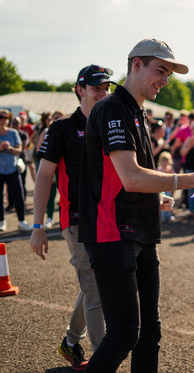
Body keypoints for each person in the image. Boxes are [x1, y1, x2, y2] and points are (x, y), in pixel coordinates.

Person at [78, 38, 194, 373]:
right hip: (112, 231)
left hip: (140, 230)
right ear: (136, 64)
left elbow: (132, 177)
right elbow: (131, 178)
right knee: (124, 334)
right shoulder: (111, 108)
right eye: (161, 70)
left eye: (169, 74)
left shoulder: (138, 110)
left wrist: (157, 195)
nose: (165, 80)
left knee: (149, 334)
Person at [30, 64, 116, 371]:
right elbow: (43, 177)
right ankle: (103, 363)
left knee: (93, 285)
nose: (104, 94)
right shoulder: (62, 128)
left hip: (109, 218)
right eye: (97, 88)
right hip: (76, 218)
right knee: (95, 289)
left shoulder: (111, 124)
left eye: (107, 88)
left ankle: (70, 341)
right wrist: (38, 226)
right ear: (79, 90)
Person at [0, 109, 33, 232]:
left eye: (5, 117)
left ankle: (21, 221)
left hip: (12, 169)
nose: (2, 119)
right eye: (0, 117)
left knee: (19, 195)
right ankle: (2, 221)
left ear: (8, 120)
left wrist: (9, 148)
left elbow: (20, 150)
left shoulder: (13, 133)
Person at [157, 151, 175, 222]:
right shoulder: (159, 169)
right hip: (161, 189)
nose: (165, 163)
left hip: (169, 188)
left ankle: (169, 215)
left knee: (169, 201)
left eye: (166, 161)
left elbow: (174, 177)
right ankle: (162, 216)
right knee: (162, 203)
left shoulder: (170, 168)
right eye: (164, 161)